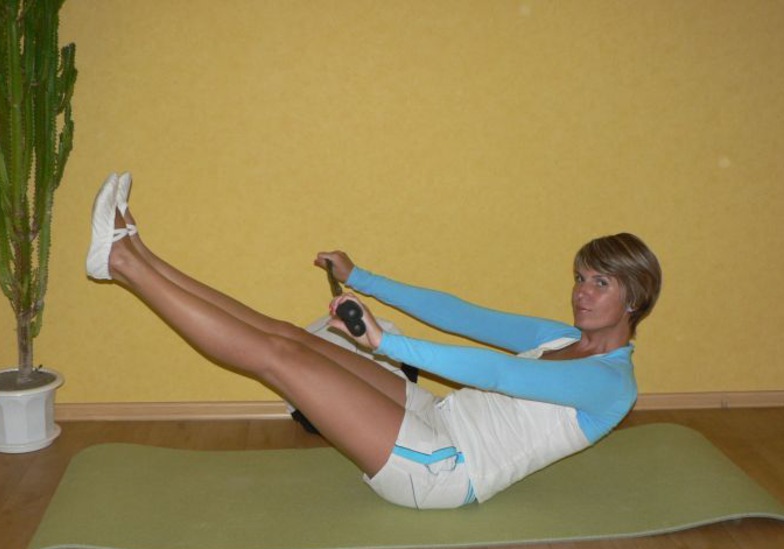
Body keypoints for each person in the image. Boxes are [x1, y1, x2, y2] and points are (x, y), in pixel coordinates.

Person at [87, 173, 662, 510]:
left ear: (634, 297)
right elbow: (460, 315)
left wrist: (385, 343)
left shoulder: (611, 384)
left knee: (280, 359)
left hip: (444, 468)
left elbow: (501, 374)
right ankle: (137, 254)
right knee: (294, 338)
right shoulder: (562, 336)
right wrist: (362, 278)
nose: (581, 292)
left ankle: (120, 264)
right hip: (440, 416)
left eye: (600, 283)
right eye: (580, 278)